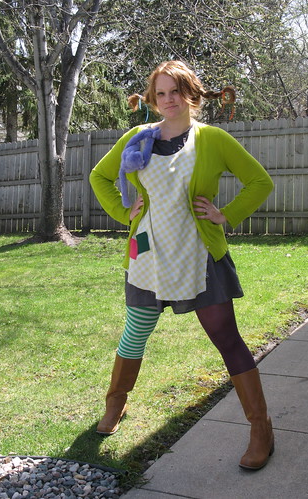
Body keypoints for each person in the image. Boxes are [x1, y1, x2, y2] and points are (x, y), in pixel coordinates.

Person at [89, 60, 275, 470]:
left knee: (226, 337)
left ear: (191, 93)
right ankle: (115, 405)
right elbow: (99, 178)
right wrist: (125, 213)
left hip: (198, 255)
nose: (168, 100)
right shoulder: (138, 138)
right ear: (153, 100)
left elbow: (260, 181)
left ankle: (260, 428)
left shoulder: (212, 139)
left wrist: (225, 214)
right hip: (146, 254)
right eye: (161, 93)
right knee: (135, 332)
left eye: (175, 91)